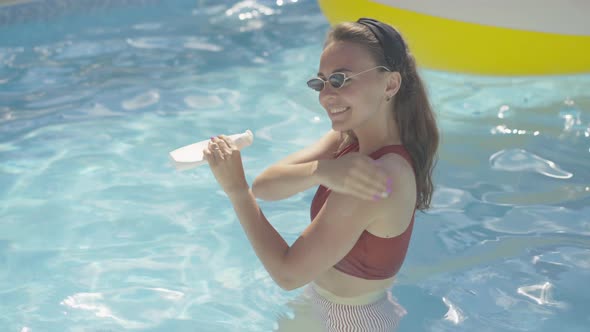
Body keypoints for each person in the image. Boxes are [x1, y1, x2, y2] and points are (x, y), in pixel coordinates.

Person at [204, 17, 439, 332]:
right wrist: (324, 170)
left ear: (391, 84)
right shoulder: (348, 140)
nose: (326, 95)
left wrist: (235, 191)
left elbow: (288, 274)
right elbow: (265, 186)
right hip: (323, 301)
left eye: (341, 79)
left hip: (352, 321)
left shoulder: (378, 177)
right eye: (321, 82)